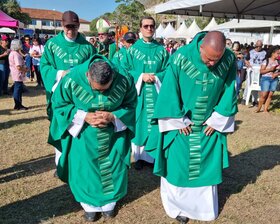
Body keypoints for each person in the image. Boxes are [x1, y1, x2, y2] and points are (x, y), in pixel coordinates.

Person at [145, 31, 238, 224]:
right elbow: (170, 90)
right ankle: (178, 207)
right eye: (209, 58)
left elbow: (230, 89)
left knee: (205, 167)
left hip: (209, 123)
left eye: (216, 60)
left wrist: (217, 119)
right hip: (182, 123)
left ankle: (203, 209)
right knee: (178, 167)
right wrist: (178, 120)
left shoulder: (228, 58)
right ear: (201, 46)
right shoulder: (181, 56)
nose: (212, 64)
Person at [50, 55, 137, 222]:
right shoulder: (71, 78)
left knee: (113, 166)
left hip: (113, 136)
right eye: (97, 89)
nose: (101, 94)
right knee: (84, 169)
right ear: (88, 76)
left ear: (112, 76)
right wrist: (83, 116)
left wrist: (114, 116)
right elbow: (59, 105)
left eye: (105, 89)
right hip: (83, 135)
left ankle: (110, 203)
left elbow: (132, 103)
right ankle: (89, 205)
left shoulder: (124, 78)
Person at [40, 10, 96, 169]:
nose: (71, 30)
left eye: (74, 27)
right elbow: (44, 66)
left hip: (81, 95)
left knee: (80, 125)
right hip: (60, 94)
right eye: (67, 27)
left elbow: (95, 67)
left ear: (79, 26)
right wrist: (59, 73)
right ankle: (61, 163)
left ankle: (77, 162)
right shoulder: (52, 44)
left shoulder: (87, 47)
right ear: (62, 25)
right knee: (61, 125)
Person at [122, 16, 169, 170]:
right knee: (139, 122)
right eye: (146, 26)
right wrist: (141, 76)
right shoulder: (133, 50)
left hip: (156, 93)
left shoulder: (161, 50)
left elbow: (168, 70)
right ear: (140, 28)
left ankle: (154, 155)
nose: (149, 29)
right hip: (139, 93)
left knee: (155, 122)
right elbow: (125, 70)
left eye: (151, 26)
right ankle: (139, 157)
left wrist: (156, 77)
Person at [241, 40, 266, 106]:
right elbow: (246, 59)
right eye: (257, 46)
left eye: (260, 46)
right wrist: (248, 64)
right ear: (255, 45)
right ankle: (244, 98)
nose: (258, 48)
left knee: (256, 86)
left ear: (262, 46)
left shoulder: (264, 53)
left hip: (259, 71)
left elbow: (265, 62)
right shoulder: (251, 51)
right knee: (248, 85)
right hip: (251, 70)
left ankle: (255, 100)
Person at [256, 46, 280, 113]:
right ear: (273, 53)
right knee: (264, 94)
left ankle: (265, 109)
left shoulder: (278, 62)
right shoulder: (266, 60)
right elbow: (261, 71)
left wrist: (276, 74)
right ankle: (259, 108)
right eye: (278, 53)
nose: (279, 55)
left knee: (270, 95)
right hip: (265, 79)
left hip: (274, 79)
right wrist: (270, 69)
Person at [8, 39, 29, 110]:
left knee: (17, 89)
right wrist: (25, 70)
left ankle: (18, 104)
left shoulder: (12, 53)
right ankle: (18, 105)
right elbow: (18, 67)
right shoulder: (16, 54)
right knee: (18, 89)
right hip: (18, 74)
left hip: (15, 73)